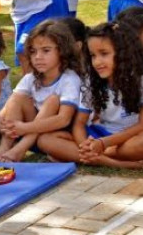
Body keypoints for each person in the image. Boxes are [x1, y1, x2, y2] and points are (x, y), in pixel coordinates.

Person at [38, 22, 143, 168]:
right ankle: (115, 162)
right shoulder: (91, 81)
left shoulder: (139, 80)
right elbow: (79, 124)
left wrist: (103, 144)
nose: (97, 62)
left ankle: (97, 158)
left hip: (128, 138)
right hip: (101, 135)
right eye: (93, 56)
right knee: (45, 140)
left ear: (122, 53)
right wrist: (85, 146)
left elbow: (141, 125)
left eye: (104, 54)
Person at [0, 20, 83, 162]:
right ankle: (5, 146)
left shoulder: (69, 79)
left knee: (52, 100)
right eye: (33, 51)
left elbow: (63, 120)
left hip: (54, 136)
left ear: (62, 51)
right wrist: (2, 123)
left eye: (46, 50)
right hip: (28, 132)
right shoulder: (30, 78)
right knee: (18, 98)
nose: (38, 57)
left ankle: (19, 150)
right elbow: (8, 108)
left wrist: (25, 127)